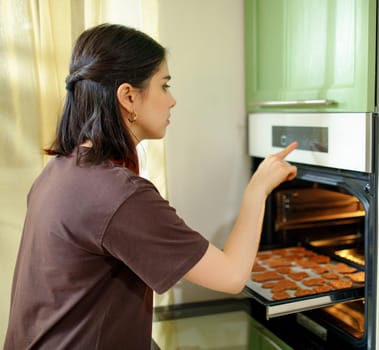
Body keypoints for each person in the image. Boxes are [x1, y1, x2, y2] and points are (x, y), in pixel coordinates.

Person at [3, 23, 297, 350]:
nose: (172, 101)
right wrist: (258, 188)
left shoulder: (60, 170)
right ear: (129, 96)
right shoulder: (118, 195)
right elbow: (231, 276)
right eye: (164, 86)